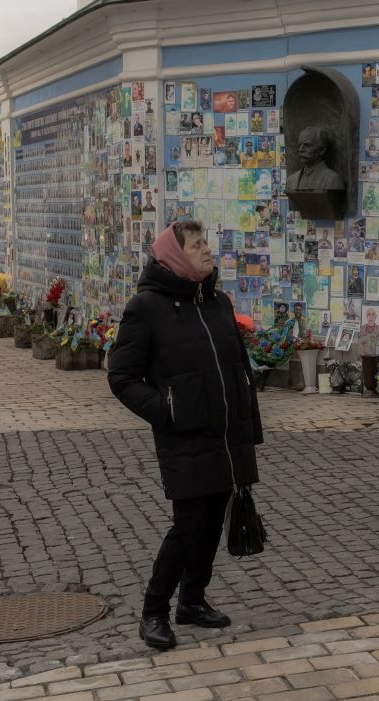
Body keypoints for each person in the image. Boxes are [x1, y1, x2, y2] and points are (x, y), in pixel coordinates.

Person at [109, 220, 262, 650]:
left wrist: (247, 420)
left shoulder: (216, 301)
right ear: (175, 257)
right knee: (188, 525)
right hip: (185, 435)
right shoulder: (147, 307)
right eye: (196, 246)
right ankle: (153, 610)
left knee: (214, 519)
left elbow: (235, 370)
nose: (206, 252)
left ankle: (191, 600)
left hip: (225, 433)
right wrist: (167, 410)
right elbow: (121, 377)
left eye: (205, 244)